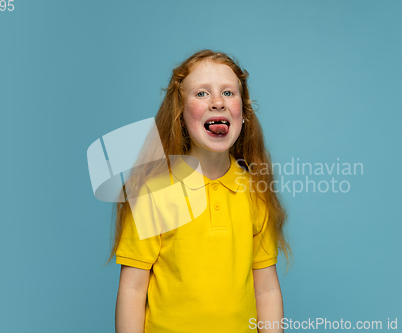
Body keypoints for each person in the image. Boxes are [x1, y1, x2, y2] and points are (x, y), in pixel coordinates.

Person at [105, 49, 291, 333]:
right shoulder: (154, 193)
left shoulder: (256, 192)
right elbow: (132, 289)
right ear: (180, 115)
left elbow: (266, 290)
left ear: (244, 113)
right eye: (202, 94)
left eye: (228, 93)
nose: (217, 102)